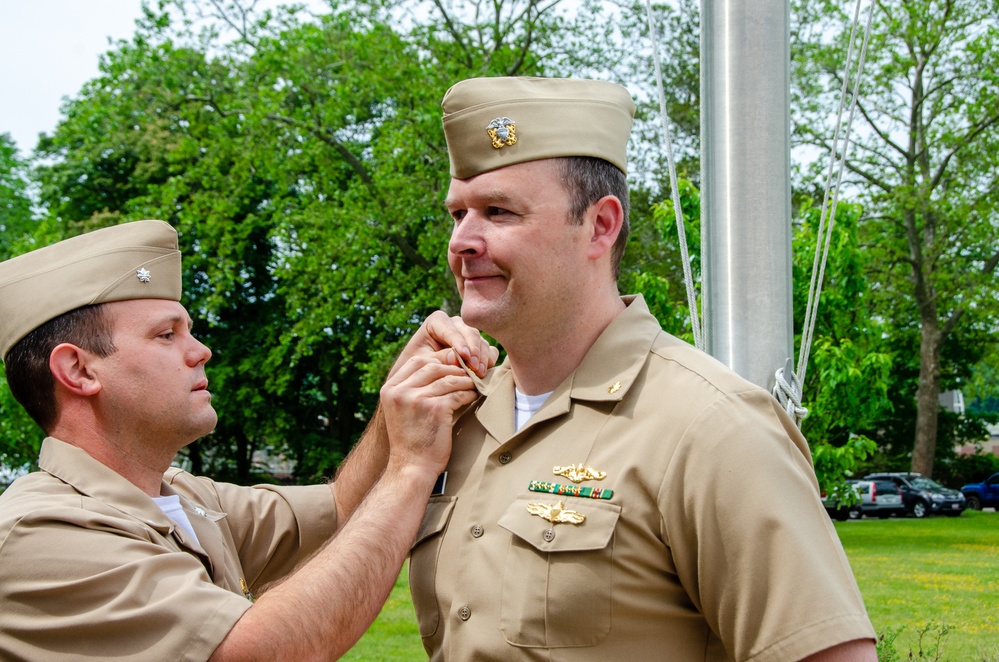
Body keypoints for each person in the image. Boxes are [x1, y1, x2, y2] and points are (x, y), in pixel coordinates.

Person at [407, 77, 878, 661]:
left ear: (600, 226)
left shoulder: (713, 428)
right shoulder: (460, 418)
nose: (463, 241)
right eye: (458, 214)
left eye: (498, 212)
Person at [0, 219, 497, 660]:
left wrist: (402, 385)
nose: (201, 351)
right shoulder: (38, 533)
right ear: (78, 370)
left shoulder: (182, 497)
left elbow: (342, 508)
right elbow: (262, 652)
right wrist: (409, 468)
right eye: (166, 335)